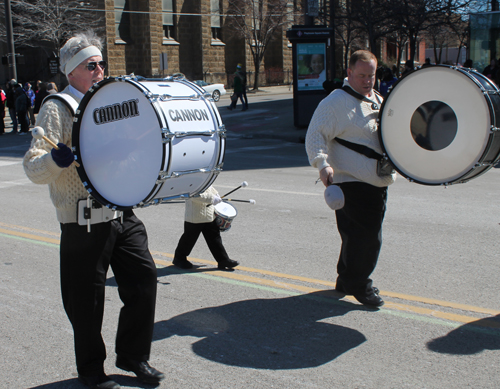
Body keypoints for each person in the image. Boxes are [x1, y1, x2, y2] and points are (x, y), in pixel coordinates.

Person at [23, 31, 164, 389]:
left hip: (120, 213)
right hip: (82, 220)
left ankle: (133, 356)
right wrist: (55, 161)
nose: (100, 69)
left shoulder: (108, 100)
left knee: (144, 279)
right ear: (72, 71)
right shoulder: (57, 108)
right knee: (86, 303)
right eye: (92, 65)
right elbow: (33, 166)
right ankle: (91, 371)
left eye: (102, 63)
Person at [305, 50, 396, 307]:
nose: (368, 80)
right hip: (351, 182)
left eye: (372, 75)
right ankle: (360, 284)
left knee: (353, 234)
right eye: (362, 75)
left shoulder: (376, 99)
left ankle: (346, 278)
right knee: (367, 237)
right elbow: (315, 135)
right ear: (349, 73)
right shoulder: (335, 102)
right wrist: (322, 165)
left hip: (375, 181)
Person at [172, 186, 239, 271]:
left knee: (215, 239)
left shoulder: (206, 175)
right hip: (195, 216)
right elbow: (194, 195)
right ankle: (179, 258)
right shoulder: (193, 179)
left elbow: (209, 187)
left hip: (209, 215)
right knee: (188, 239)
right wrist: (212, 198)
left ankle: (223, 260)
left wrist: (216, 194)